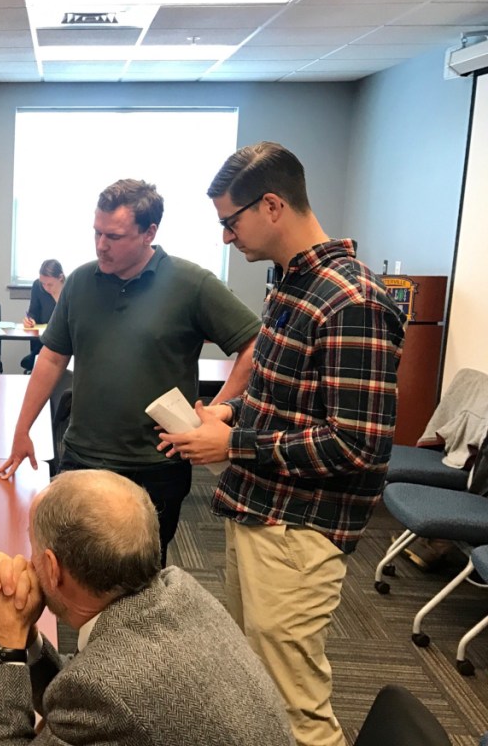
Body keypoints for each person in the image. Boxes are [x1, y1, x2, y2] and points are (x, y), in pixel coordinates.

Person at [159, 142, 406, 746]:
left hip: (299, 532)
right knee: (255, 690)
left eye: (229, 221)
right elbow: (281, 399)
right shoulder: (293, 286)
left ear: (271, 205)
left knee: (297, 711)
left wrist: (234, 444)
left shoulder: (352, 302)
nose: (225, 238)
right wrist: (224, 412)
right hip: (261, 514)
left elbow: (358, 446)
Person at [0, 179, 261, 566]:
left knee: (141, 578)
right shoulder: (81, 282)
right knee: (76, 569)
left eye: (114, 236)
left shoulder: (192, 283)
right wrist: (22, 430)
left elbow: (253, 344)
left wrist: (213, 415)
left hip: (154, 466)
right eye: (97, 233)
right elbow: (51, 359)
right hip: (83, 457)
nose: (101, 245)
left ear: (149, 232)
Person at [0, 469, 293, 745]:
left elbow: (101, 687)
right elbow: (75, 692)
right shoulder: (179, 590)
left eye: (34, 546)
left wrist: (7, 642)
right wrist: (26, 636)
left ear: (52, 569)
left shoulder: (103, 688)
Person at [20, 259, 64, 372]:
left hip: (63, 343)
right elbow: (33, 311)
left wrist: (57, 295)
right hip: (43, 342)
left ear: (61, 278)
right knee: (35, 360)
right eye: (43, 283)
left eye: (50, 284)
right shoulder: (37, 286)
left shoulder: (69, 288)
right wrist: (30, 320)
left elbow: (68, 319)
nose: (46, 288)